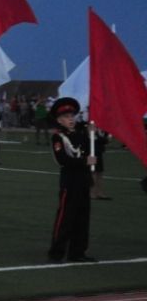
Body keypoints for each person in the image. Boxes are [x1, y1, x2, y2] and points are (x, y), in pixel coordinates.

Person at [47, 97, 97, 262]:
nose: (71, 119)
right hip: (70, 181)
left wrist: (93, 133)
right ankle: (56, 252)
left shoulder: (81, 134)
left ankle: (78, 252)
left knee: (83, 218)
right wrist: (84, 161)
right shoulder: (58, 138)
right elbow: (63, 160)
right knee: (66, 218)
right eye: (66, 117)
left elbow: (97, 146)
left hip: (83, 180)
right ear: (59, 120)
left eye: (72, 116)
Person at [88, 123, 111, 200]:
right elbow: (94, 139)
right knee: (93, 174)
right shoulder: (91, 126)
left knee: (100, 173)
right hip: (92, 154)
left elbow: (105, 141)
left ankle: (100, 192)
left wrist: (105, 136)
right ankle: (92, 193)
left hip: (99, 153)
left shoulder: (99, 129)